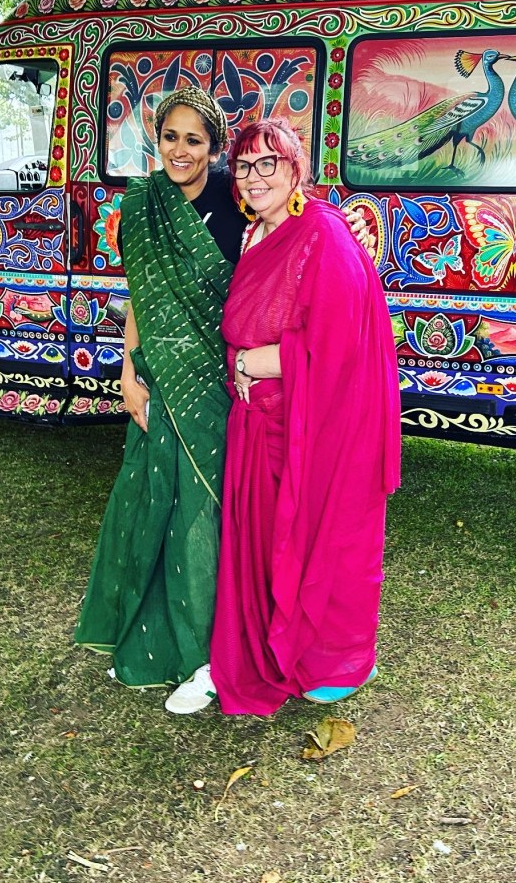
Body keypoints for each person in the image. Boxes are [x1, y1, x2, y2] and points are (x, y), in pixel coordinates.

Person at [75, 88, 374, 714]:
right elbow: (141, 298)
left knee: (210, 523)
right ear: (156, 141)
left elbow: (313, 287)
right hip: (163, 382)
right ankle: (157, 639)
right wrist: (129, 373)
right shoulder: (145, 205)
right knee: (152, 508)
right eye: (170, 137)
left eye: (195, 140)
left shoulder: (241, 208)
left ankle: (210, 654)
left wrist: (344, 225)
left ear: (213, 151)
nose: (180, 150)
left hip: (220, 392)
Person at [208, 118, 401, 717]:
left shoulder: (322, 233)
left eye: (269, 162)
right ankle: (275, 644)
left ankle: (328, 661)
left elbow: (342, 343)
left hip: (316, 428)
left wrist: (261, 360)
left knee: (322, 541)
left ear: (296, 170)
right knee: (271, 546)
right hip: (259, 426)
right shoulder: (254, 232)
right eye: (244, 165)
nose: (255, 176)